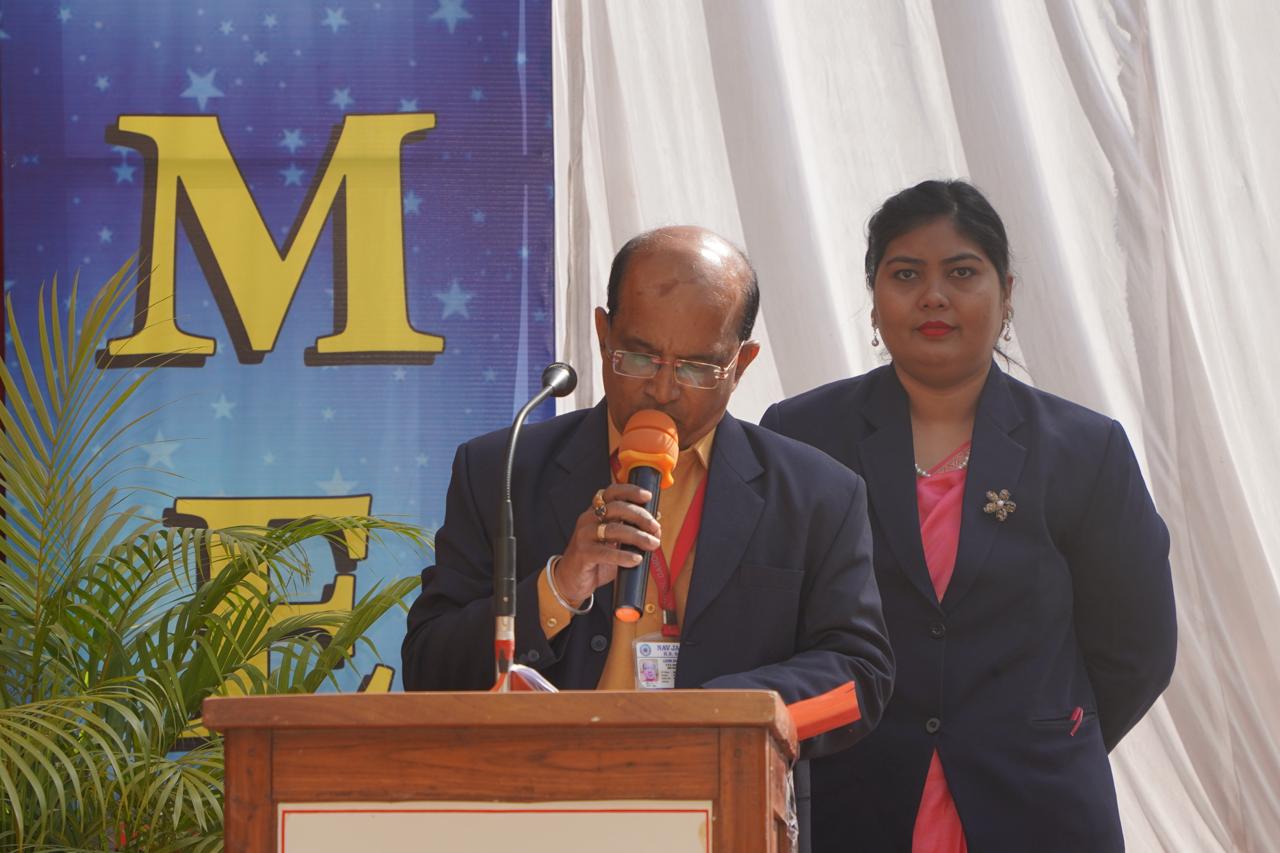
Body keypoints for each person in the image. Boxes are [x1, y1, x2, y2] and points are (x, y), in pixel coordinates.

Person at [403, 226, 895, 851]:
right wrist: (557, 587)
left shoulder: (817, 493)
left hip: (723, 811)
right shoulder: (500, 470)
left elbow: (859, 674)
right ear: (603, 334)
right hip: (534, 813)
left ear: (741, 364)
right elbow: (429, 666)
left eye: (696, 367)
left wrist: (721, 714)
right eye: (637, 358)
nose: (662, 388)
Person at [761, 180, 1177, 853]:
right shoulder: (802, 436)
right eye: (905, 274)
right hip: (853, 799)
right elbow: (771, 627)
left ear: (1005, 294)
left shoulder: (1083, 448)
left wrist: (1047, 733)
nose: (933, 296)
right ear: (874, 298)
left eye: (961, 273)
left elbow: (1139, 648)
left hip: (1038, 805)